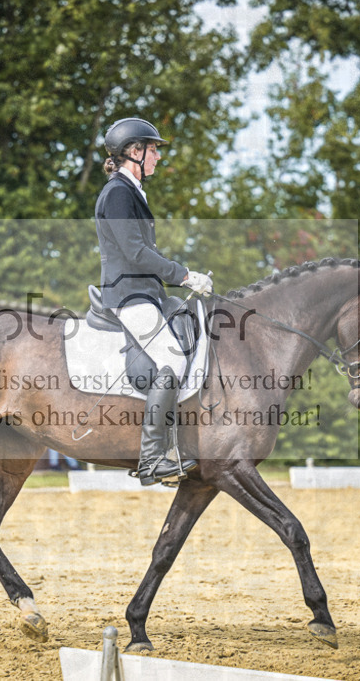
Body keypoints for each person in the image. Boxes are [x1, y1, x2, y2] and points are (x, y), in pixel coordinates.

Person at [94, 117, 213, 486]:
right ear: (135, 151)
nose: (158, 156)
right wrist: (184, 275)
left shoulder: (131, 190)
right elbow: (134, 251)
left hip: (145, 292)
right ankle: (151, 460)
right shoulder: (117, 192)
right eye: (154, 149)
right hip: (128, 295)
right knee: (172, 361)